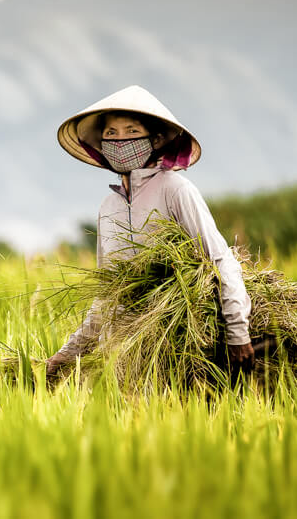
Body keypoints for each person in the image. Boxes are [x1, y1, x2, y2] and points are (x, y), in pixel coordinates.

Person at [45, 85, 253, 383]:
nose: (120, 141)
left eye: (131, 131)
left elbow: (220, 262)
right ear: (101, 143)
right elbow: (109, 294)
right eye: (112, 134)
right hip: (124, 348)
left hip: (180, 343)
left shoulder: (175, 190)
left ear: (154, 140)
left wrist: (237, 333)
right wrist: (68, 353)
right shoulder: (108, 207)